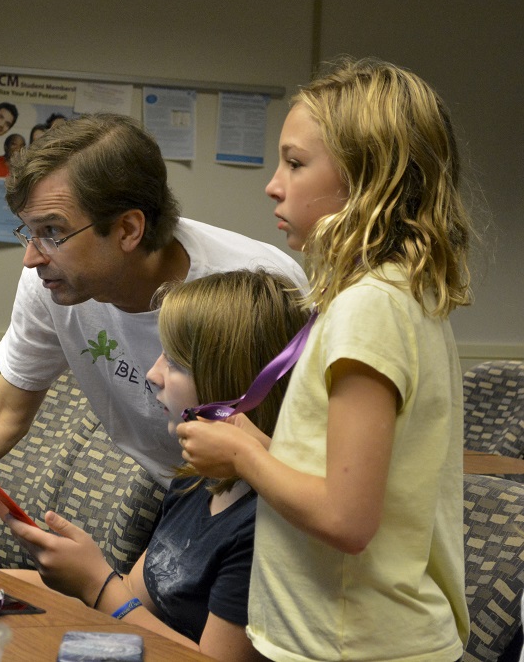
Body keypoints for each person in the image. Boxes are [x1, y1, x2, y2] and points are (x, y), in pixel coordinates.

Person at [0, 112, 307, 518]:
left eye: (52, 231)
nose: (32, 258)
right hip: (175, 499)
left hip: (263, 505)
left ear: (128, 229)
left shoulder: (255, 283)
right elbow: (3, 413)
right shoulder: (49, 285)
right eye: (28, 232)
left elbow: (300, 443)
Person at [177, 57, 472, 660]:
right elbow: (342, 482)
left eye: (295, 162)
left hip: (355, 646)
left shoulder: (371, 308)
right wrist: (254, 445)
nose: (274, 184)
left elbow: (346, 519)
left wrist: (240, 456)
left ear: (368, 178)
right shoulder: (395, 295)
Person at [4, 270, 308, 659]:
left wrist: (96, 584)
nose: (153, 374)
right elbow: (133, 600)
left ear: (232, 382)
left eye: (176, 364)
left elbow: (209, 658)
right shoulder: (197, 483)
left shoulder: (264, 526)